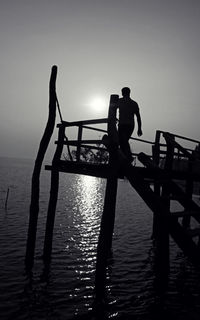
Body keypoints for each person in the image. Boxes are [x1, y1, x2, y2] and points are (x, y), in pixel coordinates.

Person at [116, 87, 143, 162]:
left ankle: (128, 158)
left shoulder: (120, 101)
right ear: (129, 92)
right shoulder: (134, 103)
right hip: (130, 125)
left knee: (122, 141)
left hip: (123, 125)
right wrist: (139, 128)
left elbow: (113, 109)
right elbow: (138, 117)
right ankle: (125, 159)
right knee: (123, 141)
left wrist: (140, 128)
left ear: (122, 93)